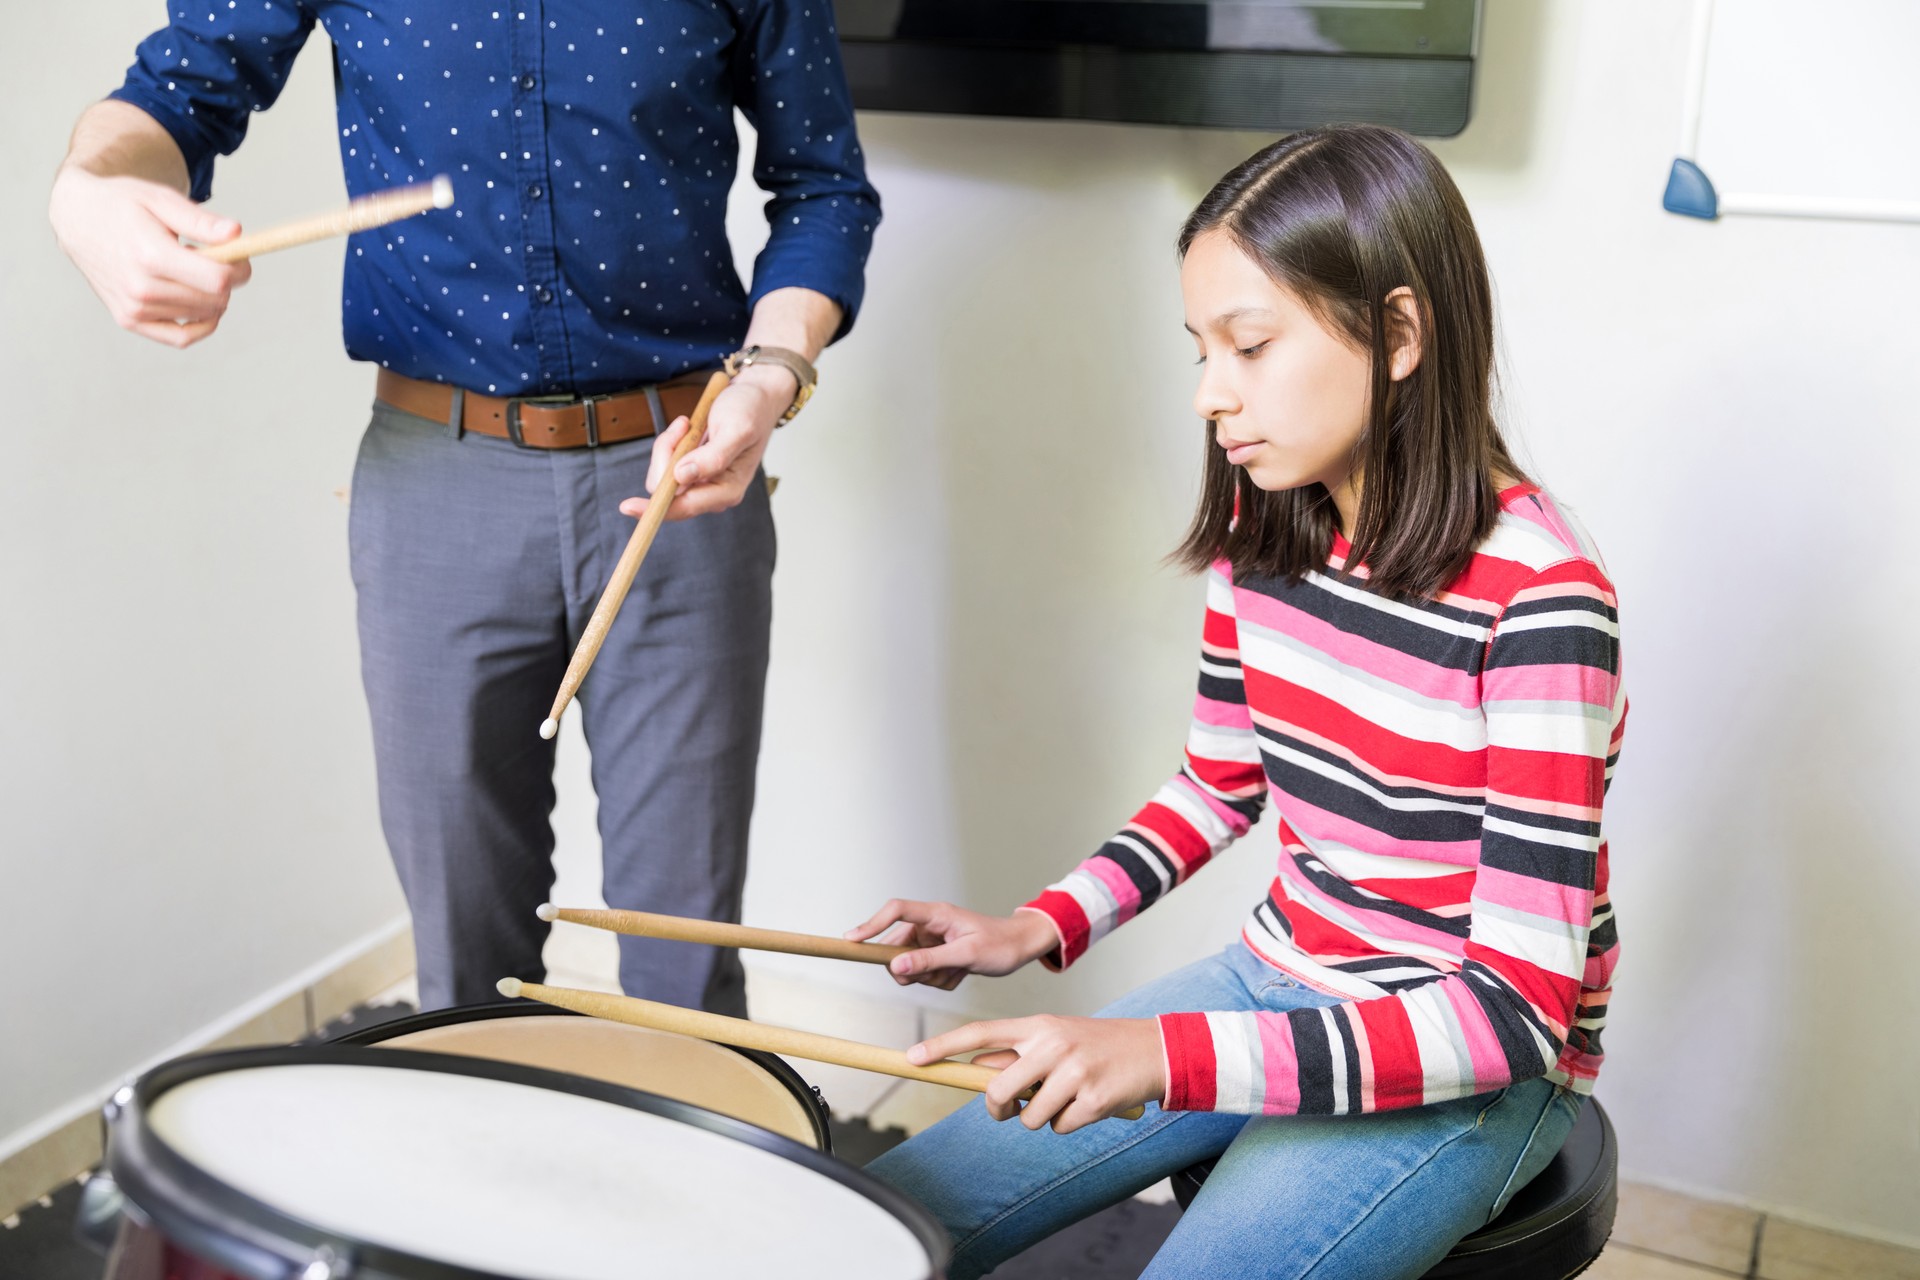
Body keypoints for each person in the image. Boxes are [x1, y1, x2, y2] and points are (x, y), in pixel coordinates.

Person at [843, 124, 1624, 1280]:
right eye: (1200, 349)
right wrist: (1035, 924)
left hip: (1470, 1064)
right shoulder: (1271, 529)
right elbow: (1221, 782)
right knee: (877, 1218)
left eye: (1250, 346)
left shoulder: (1544, 601)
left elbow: (1508, 1010)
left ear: (1399, 334)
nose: (1213, 394)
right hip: (1279, 971)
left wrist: (1165, 1053)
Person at [49, 2, 880, 1014]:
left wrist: (773, 371)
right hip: (435, 483)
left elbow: (826, 189)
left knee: (687, 964)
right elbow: (171, 98)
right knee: (466, 965)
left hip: (682, 476)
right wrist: (91, 191)